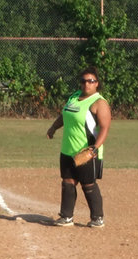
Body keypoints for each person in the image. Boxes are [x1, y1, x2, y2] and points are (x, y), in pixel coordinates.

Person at [45, 66, 109, 227]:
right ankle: (66, 217)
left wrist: (95, 148)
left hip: (86, 151)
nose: (86, 84)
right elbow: (64, 115)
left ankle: (97, 218)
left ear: (97, 84)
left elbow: (104, 127)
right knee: (68, 182)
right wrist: (53, 128)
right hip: (68, 149)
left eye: (91, 81)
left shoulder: (98, 103)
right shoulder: (74, 97)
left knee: (88, 184)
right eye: (83, 81)